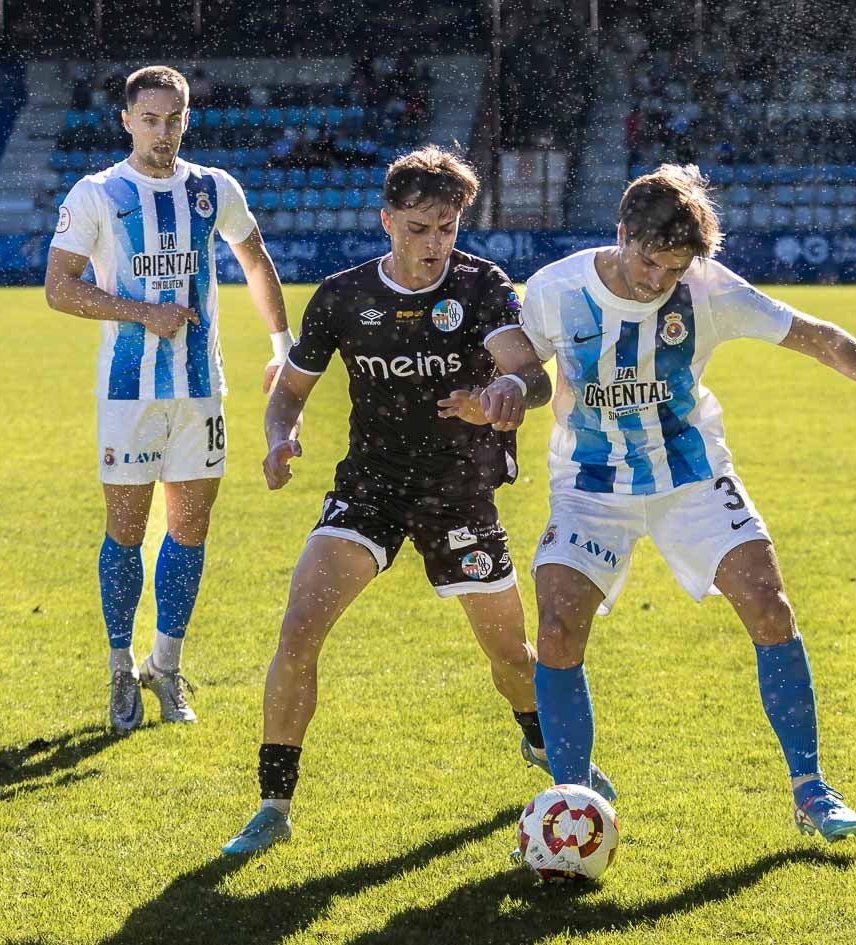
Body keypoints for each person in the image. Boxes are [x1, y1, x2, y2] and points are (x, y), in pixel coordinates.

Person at [520, 164, 856, 844]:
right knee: (556, 625)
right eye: (647, 262)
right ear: (622, 235)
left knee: (768, 604)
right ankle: (572, 797)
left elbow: (819, 337)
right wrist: (497, 396)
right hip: (589, 481)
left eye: (672, 269)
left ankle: (809, 788)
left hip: (691, 474)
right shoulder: (555, 290)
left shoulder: (705, 289)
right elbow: (517, 366)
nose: (656, 281)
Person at [221, 146, 614, 855]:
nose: (433, 244)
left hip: (458, 493)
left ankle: (541, 746)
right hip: (369, 487)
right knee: (298, 628)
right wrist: (280, 436)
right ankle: (272, 804)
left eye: (446, 227)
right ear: (386, 220)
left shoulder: (481, 285)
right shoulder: (342, 297)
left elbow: (534, 377)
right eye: (417, 228)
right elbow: (290, 390)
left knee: (511, 659)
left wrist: (503, 392)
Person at [44, 66, 291, 733]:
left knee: (190, 529)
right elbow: (59, 287)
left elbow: (255, 258)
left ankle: (166, 664)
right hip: (128, 394)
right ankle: (120, 667)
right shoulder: (97, 194)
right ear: (126, 120)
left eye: (173, 119)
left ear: (186, 119)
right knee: (125, 532)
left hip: (200, 389)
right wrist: (139, 311)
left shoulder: (214, 188)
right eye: (149, 119)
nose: (162, 132)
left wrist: (282, 344)